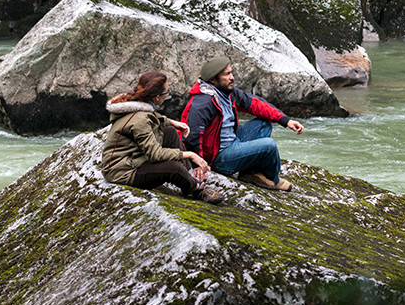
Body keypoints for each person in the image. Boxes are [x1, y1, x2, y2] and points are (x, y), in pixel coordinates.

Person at [181, 56, 304, 191]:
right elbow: (191, 134)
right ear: (213, 80)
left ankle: (250, 173)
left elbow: (255, 104)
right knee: (270, 146)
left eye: (231, 72)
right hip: (218, 157)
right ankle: (273, 179)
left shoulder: (225, 91)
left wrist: (286, 120)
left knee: (264, 124)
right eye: (227, 74)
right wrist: (198, 163)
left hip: (231, 140)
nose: (232, 77)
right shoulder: (203, 104)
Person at [102, 71, 224, 204]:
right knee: (173, 168)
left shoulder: (134, 102)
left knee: (170, 132)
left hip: (132, 157)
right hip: (123, 171)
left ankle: (187, 176)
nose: (168, 94)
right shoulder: (140, 120)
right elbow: (155, 155)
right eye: (167, 91)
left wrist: (172, 122)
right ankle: (195, 189)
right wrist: (189, 154)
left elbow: (151, 116)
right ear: (157, 97)